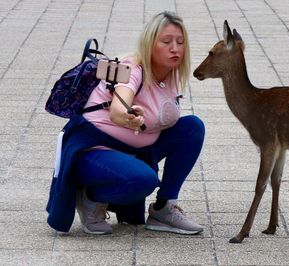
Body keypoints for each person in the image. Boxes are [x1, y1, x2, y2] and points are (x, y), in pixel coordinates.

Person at [46, 11, 205, 236]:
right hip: (93, 151)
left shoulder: (170, 73)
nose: (175, 49)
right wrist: (128, 116)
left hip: (134, 149)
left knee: (192, 127)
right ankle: (90, 198)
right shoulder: (130, 68)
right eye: (166, 41)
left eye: (180, 42)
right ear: (150, 44)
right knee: (143, 180)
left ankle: (163, 209)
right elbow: (118, 109)